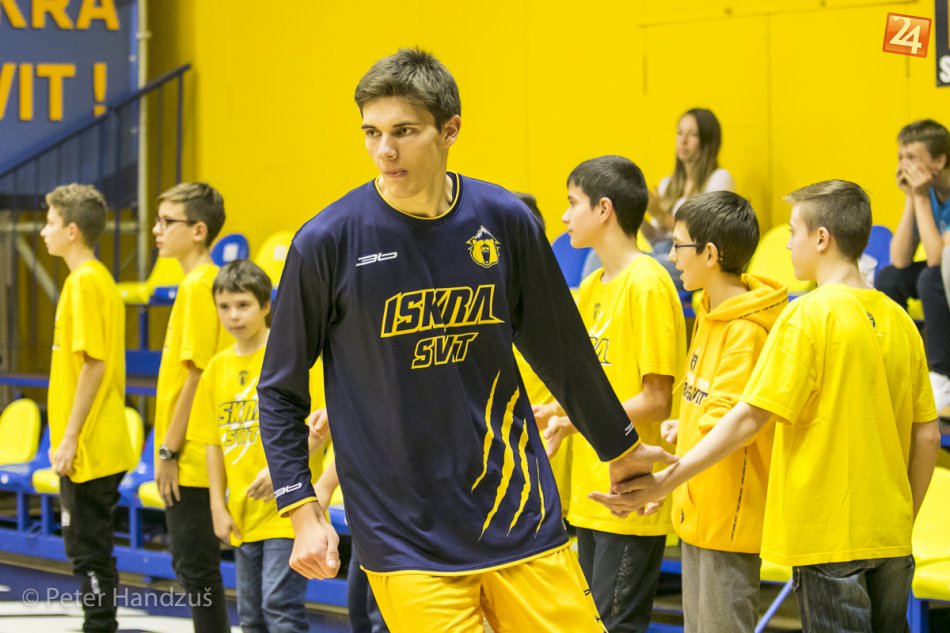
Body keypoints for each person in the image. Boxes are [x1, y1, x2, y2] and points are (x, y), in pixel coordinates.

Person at [258, 48, 674, 632]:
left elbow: (564, 352)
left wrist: (620, 448)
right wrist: (303, 511)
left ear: (450, 129)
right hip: (404, 536)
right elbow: (279, 391)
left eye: (404, 131)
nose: (385, 150)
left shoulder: (504, 220)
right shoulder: (327, 241)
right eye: (372, 133)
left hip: (520, 513)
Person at [594, 180, 942, 633]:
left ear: (822, 239)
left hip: (827, 540)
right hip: (891, 539)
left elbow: (749, 417)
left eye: (795, 232)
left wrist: (665, 481)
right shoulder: (900, 319)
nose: (789, 244)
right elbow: (927, 436)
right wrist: (900, 520)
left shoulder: (807, 315)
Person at [540, 155, 686, 633]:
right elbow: (593, 388)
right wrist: (555, 410)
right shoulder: (590, 286)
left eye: (573, 203)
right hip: (591, 493)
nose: (565, 216)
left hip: (631, 493)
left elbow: (656, 400)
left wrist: (577, 420)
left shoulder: (648, 284)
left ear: (604, 209)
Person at [664, 191, 787, 633]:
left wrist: (664, 476)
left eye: (678, 245)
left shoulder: (746, 332)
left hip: (727, 523)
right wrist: (683, 424)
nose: (672, 256)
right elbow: (707, 402)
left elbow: (730, 423)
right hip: (696, 511)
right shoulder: (709, 313)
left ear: (710, 254)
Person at [186, 260, 310, 633]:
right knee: (251, 616)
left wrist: (281, 472)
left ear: (266, 305)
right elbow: (211, 441)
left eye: (243, 305)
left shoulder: (291, 357)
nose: (234, 315)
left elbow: (318, 426)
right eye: (224, 307)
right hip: (242, 512)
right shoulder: (217, 368)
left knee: (279, 607)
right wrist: (217, 506)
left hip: (288, 507)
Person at [40, 184, 138, 633]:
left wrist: (69, 438)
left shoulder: (83, 282)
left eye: (50, 222)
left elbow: (93, 365)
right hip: (96, 439)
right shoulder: (94, 278)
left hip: (91, 444)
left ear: (72, 231)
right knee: (90, 548)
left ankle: (99, 626)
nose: (43, 231)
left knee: (88, 551)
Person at [151, 182, 230, 632]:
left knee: (197, 572)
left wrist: (169, 450)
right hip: (190, 451)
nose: (157, 230)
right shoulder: (194, 283)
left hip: (193, 456)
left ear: (199, 230)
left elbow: (196, 375)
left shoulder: (201, 284)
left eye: (168, 221)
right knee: (195, 570)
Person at [876, 119, 950, 418]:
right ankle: (901, 364)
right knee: (889, 278)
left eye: (912, 158)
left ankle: (941, 378)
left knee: (930, 279)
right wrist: (911, 197)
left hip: (944, 270)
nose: (903, 166)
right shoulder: (925, 192)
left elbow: (937, 260)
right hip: (941, 268)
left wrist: (919, 196)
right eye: (900, 157)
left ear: (939, 161)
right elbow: (900, 259)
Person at [641, 108, 735, 290]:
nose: (683, 140)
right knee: (608, 257)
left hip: (696, 259)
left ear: (708, 141)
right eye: (680, 133)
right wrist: (637, 216)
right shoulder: (668, 183)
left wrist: (660, 214)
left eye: (692, 134)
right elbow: (655, 238)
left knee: (634, 266)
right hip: (663, 253)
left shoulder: (720, 178)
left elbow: (703, 237)